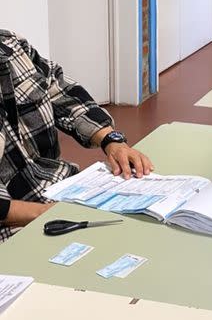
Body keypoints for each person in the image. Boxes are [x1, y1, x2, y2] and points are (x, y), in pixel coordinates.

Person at [0, 29, 153, 242]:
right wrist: (48, 213)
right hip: (13, 228)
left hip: (58, 191)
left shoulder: (11, 46)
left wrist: (112, 141)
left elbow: (60, 91)